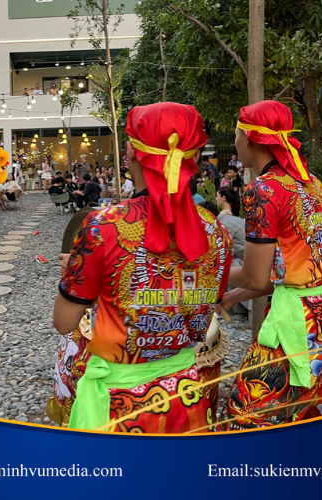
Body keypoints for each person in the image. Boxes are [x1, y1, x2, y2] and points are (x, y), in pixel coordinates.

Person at [53, 102, 232, 432]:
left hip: (122, 405)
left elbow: (64, 322)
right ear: (194, 157)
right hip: (189, 395)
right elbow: (205, 303)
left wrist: (77, 272)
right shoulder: (216, 230)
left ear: (132, 152)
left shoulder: (103, 227)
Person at [217, 100, 322, 429]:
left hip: (300, 326)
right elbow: (294, 270)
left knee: (245, 421)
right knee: (310, 420)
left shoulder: (262, 190)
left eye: (236, 133)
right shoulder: (312, 184)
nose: (235, 141)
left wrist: (207, 273)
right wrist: (234, 296)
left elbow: (255, 276)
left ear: (248, 137)